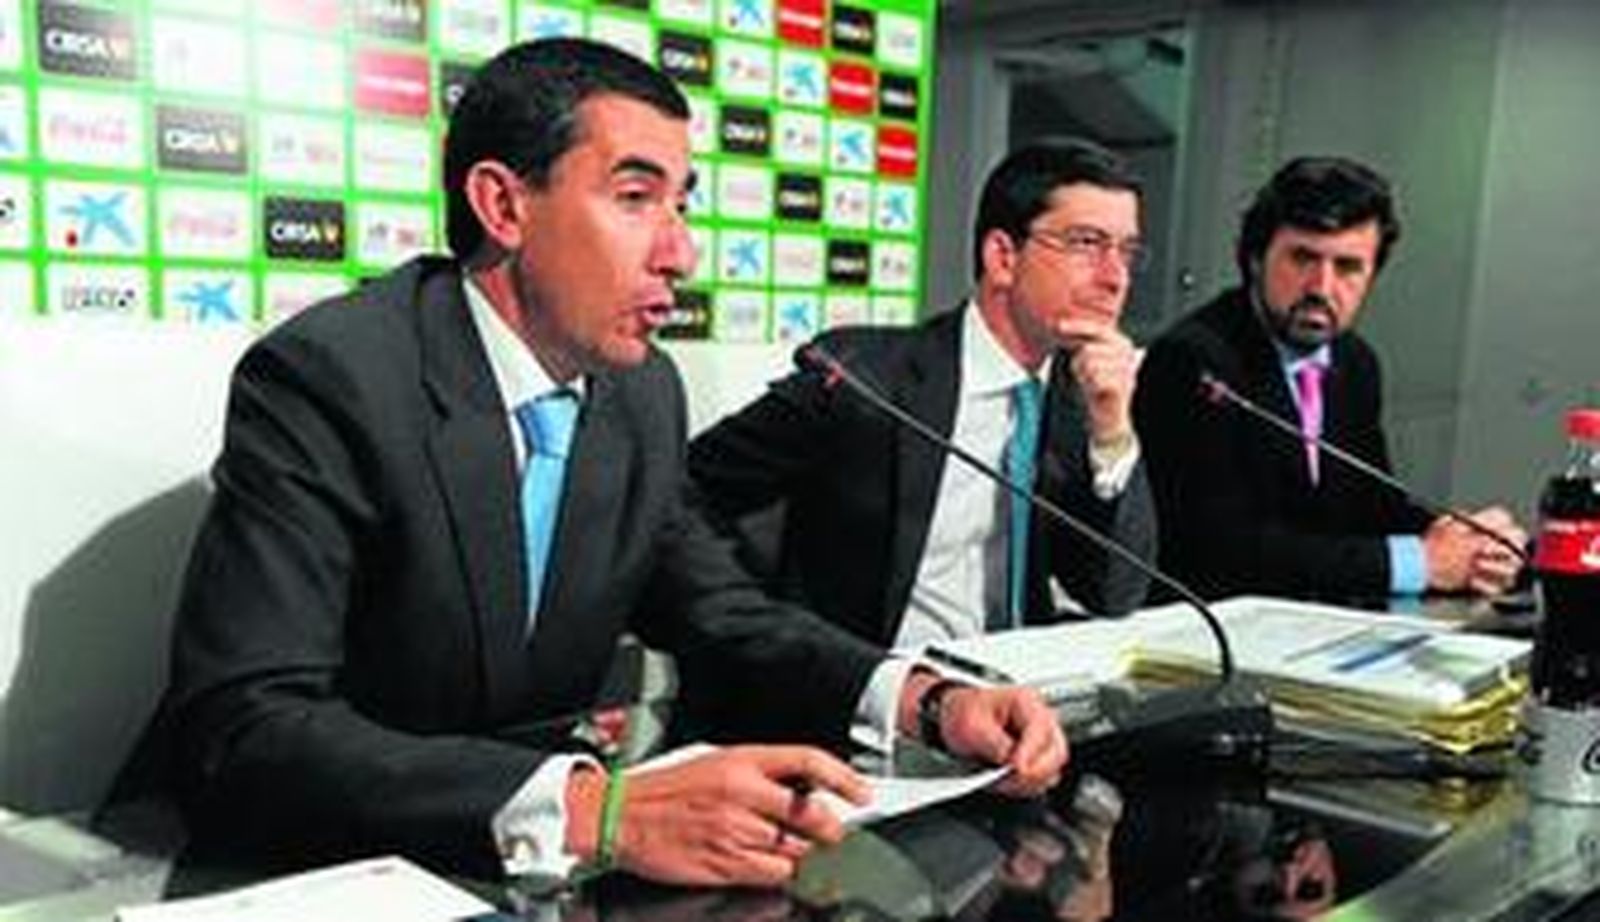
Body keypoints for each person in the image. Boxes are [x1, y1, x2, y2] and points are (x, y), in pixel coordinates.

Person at [163, 37, 1065, 890]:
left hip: (520, 875)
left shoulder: (639, 393)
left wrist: (928, 700)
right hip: (309, 866)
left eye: (682, 204)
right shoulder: (333, 378)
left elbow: (720, 609)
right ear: (504, 205)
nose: (680, 252)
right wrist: (598, 810)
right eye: (636, 199)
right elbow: (248, 727)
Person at [687, 139, 1156, 651]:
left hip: (1015, 689)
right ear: (1002, 257)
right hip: (869, 699)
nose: (1115, 277)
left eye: (1126, 251)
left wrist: (1112, 435)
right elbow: (685, 496)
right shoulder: (864, 381)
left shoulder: (1083, 397)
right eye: (1087, 243)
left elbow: (1114, 594)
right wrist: (761, 636)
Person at [1134, 156, 1525, 601]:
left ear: (1373, 273)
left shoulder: (1355, 361)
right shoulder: (1194, 360)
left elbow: (1370, 507)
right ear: (1256, 257)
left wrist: (1468, 545)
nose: (1322, 286)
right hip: (1208, 630)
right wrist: (1421, 562)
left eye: (1348, 267)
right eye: (1303, 258)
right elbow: (1223, 549)